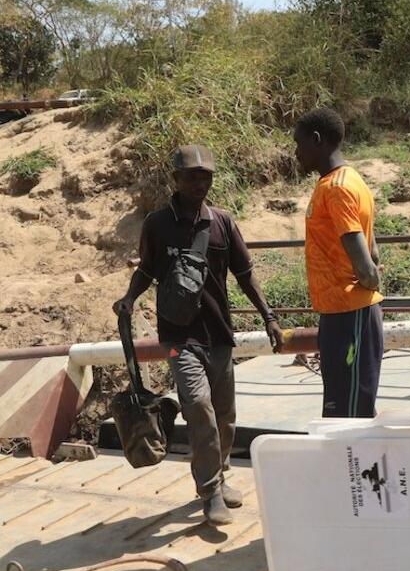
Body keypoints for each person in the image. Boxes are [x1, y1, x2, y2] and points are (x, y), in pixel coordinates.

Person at [113, 145, 283, 525]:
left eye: (205, 176)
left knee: (224, 415)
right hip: (179, 338)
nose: (199, 183)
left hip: (218, 334)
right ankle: (209, 491)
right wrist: (129, 297)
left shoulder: (222, 222)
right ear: (175, 179)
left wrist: (268, 316)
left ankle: (219, 477)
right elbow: (147, 270)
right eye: (192, 176)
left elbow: (245, 274)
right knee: (199, 409)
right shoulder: (157, 224)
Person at [292, 108, 384, 419]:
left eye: (299, 144)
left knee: (350, 416)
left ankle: (356, 469)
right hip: (339, 314)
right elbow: (374, 252)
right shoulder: (344, 182)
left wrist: (367, 284)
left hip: (350, 315)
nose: (296, 153)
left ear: (317, 140)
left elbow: (364, 258)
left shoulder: (337, 188)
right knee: (340, 412)